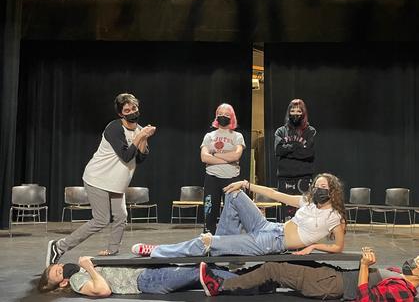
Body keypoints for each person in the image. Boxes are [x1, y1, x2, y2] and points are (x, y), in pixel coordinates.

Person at [46, 93, 156, 266]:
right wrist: (140, 136)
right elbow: (127, 156)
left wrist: (143, 136)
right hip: (98, 178)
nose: (132, 112)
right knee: (101, 219)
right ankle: (59, 246)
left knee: (121, 216)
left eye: (134, 108)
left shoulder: (139, 129)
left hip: (116, 183)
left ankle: (112, 251)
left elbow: (140, 158)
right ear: (121, 114)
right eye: (127, 110)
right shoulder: (114, 128)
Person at [131, 173, 346, 258]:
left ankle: (157, 251)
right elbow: (275, 194)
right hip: (270, 227)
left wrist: (314, 246)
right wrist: (246, 184)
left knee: (207, 241)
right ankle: (224, 251)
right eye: (316, 185)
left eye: (323, 186)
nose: (318, 189)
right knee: (234, 195)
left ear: (332, 191)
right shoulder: (307, 201)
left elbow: (338, 247)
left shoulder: (335, 217)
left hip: (271, 242)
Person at [199, 247, 419, 301]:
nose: (410, 261)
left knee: (274, 268)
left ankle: (219, 286)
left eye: (416, 262)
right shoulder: (398, 276)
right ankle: (255, 283)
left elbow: (365, 299)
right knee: (282, 258)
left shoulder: (404, 293)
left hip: (333, 286)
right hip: (334, 275)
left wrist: (363, 266)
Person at [37, 256, 204, 296]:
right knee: (199, 273)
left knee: (201, 270)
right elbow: (102, 290)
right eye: (59, 272)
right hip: (145, 280)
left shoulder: (81, 272)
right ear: (63, 283)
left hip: (146, 268)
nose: (62, 267)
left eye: (58, 265)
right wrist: (90, 268)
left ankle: (228, 278)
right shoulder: (76, 280)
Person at [200, 103, 245, 234]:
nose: (223, 116)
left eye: (226, 114)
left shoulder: (237, 136)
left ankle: (230, 240)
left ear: (232, 117)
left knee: (232, 213)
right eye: (220, 114)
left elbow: (236, 155)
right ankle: (208, 239)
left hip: (231, 178)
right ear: (216, 116)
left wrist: (215, 155)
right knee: (210, 211)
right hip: (212, 178)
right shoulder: (209, 136)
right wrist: (227, 158)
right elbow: (204, 157)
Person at [274, 99, 317, 221]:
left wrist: (287, 150)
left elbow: (309, 153)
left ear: (303, 113)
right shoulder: (281, 131)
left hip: (303, 178)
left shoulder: (310, 131)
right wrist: (296, 147)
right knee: (285, 213)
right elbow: (278, 151)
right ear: (288, 112)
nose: (295, 113)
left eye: (298, 111)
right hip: (284, 177)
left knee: (303, 213)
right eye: (292, 110)